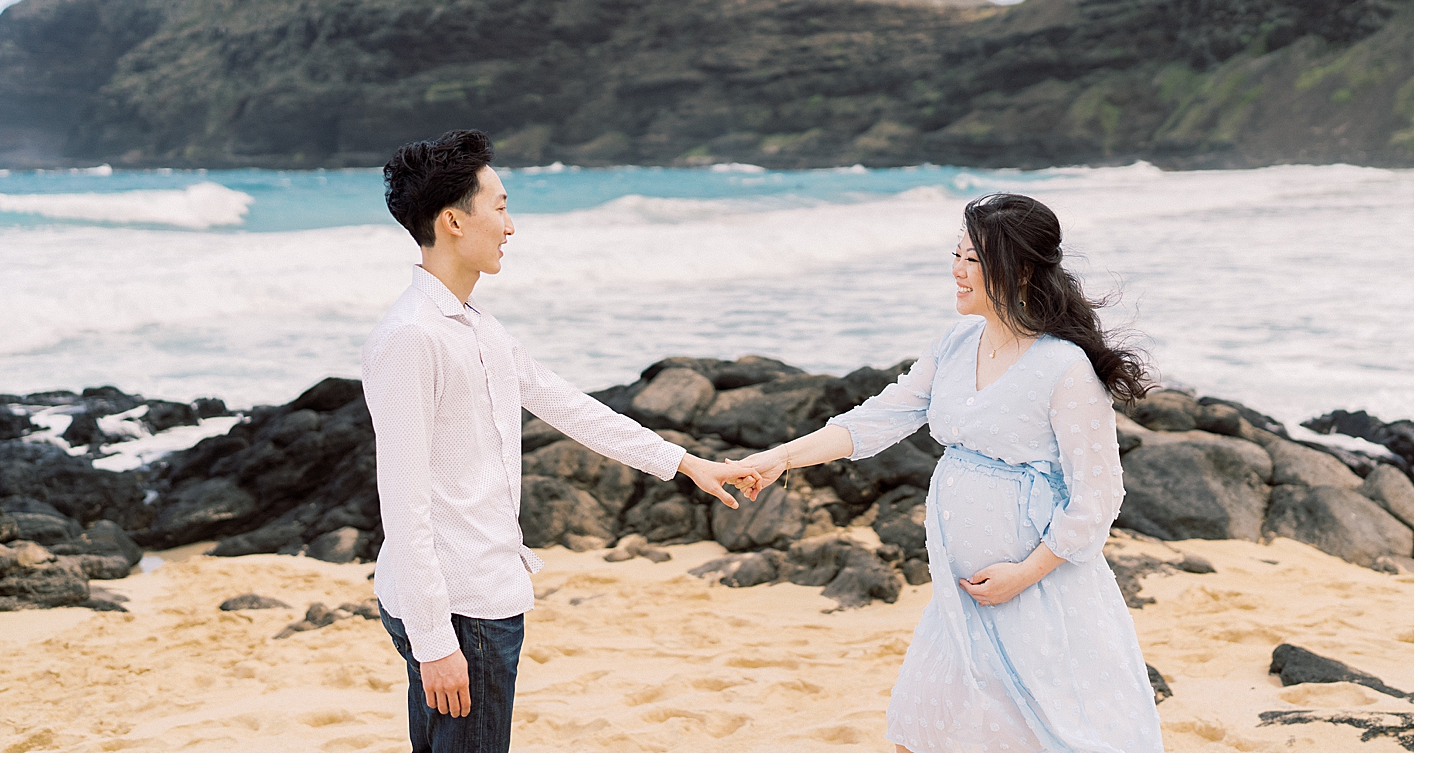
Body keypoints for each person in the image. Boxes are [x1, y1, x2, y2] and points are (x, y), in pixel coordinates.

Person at [363, 129, 761, 753]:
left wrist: (685, 463)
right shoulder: (412, 339)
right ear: (452, 221)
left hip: (481, 590)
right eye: (498, 206)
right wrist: (435, 642)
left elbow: (568, 405)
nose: (511, 226)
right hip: (460, 606)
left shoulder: (477, 328)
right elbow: (403, 503)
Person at [735, 192, 1164, 753]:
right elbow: (880, 418)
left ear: (1021, 269)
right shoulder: (957, 342)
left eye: (973, 260)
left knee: (1049, 736)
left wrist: (1026, 572)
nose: (957, 271)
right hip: (957, 592)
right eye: (957, 255)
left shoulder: (1063, 367)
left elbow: (1098, 495)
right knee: (920, 734)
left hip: (1037, 590)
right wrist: (780, 458)